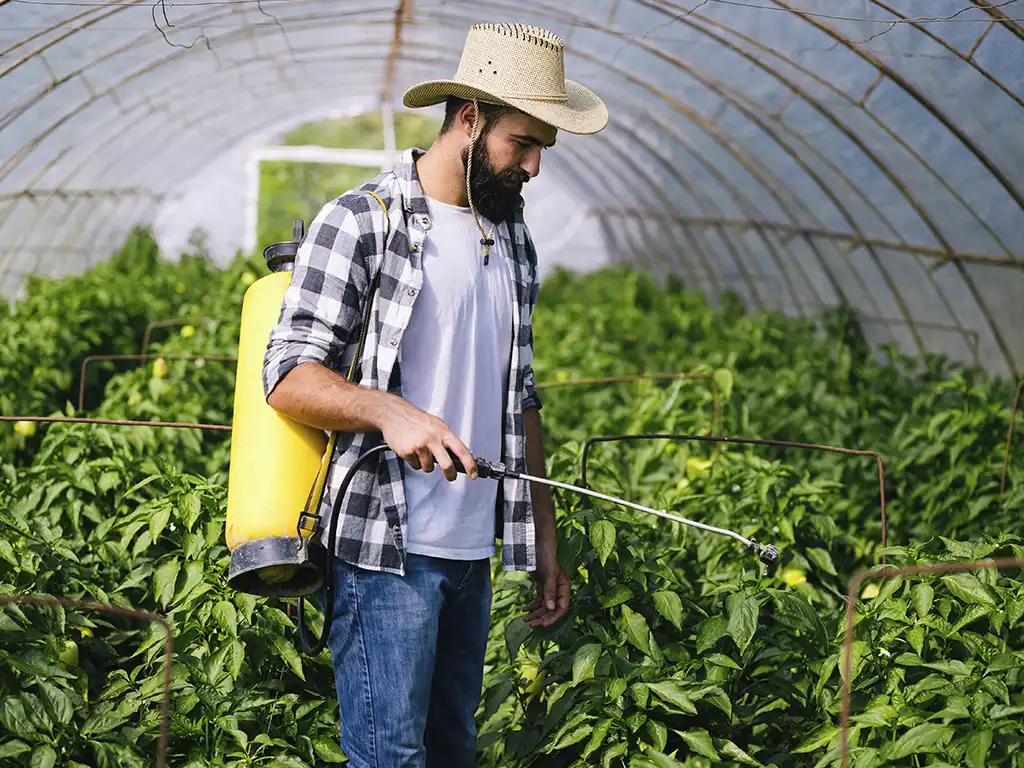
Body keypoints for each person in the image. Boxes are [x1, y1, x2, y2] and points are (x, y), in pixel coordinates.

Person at [261, 21, 608, 768]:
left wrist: (545, 541)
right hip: (385, 552)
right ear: (470, 119)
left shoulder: (512, 240)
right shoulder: (363, 222)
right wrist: (389, 410)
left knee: (453, 749)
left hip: (470, 553)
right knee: (391, 758)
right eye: (523, 143)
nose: (536, 166)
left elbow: (522, 397)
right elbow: (288, 375)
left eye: (545, 146)